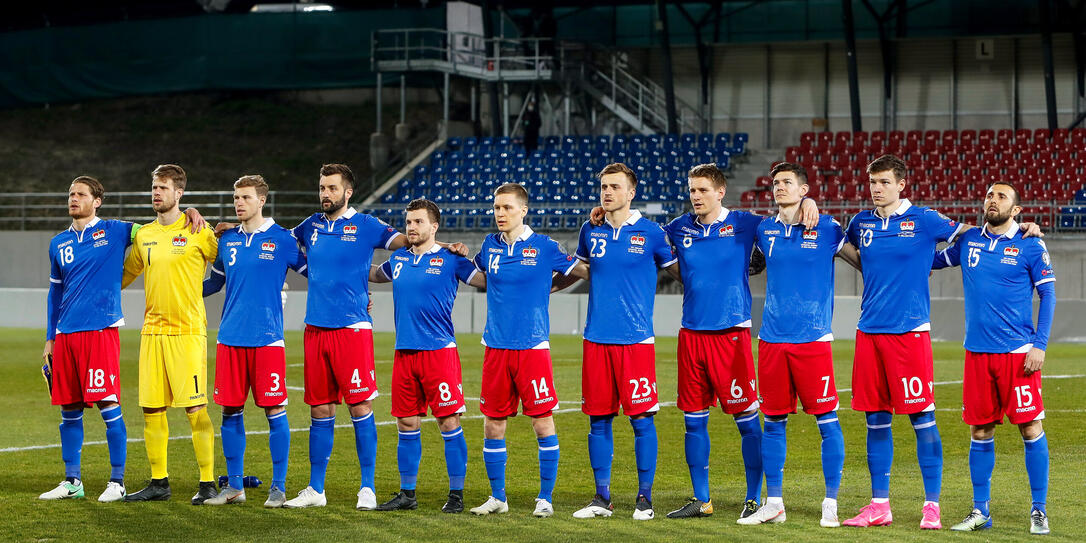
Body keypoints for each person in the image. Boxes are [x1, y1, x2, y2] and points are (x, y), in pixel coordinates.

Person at [840, 154, 1040, 528]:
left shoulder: (926, 219)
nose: (876, 190)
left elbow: (973, 234)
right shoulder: (860, 222)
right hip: (869, 332)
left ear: (901, 184)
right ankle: (879, 505)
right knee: (876, 419)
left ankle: (931, 507)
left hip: (910, 333)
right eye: (872, 183)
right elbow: (849, 249)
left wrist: (1020, 226)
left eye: (883, 182)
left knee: (922, 418)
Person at [659, 163, 819, 522]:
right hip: (691, 336)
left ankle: (752, 498)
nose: (695, 197)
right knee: (693, 422)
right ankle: (702, 500)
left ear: (720, 192)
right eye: (692, 190)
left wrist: (810, 206)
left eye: (702, 190)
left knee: (747, 421)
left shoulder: (747, 223)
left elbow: (785, 220)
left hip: (731, 336)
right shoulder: (679, 227)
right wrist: (602, 212)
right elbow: (649, 237)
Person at [738, 162, 860, 527]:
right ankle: (774, 502)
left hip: (813, 339)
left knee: (827, 422)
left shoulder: (827, 228)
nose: (779, 187)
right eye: (775, 183)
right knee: (772, 421)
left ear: (804, 190)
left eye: (787, 183)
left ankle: (831, 502)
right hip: (772, 339)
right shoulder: (763, 229)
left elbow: (864, 262)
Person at [931, 182, 1054, 535]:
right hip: (978, 354)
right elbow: (933, 260)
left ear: (1016, 210)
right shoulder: (969, 241)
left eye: (1001, 197)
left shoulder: (1031, 244)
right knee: (980, 429)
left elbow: (1049, 296)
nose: (992, 200)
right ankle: (980, 511)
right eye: (989, 195)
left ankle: (1039, 510)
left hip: (1019, 355)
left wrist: (1039, 344)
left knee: (1030, 428)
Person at [282, 164, 403, 510]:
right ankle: (316, 489)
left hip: (351, 328)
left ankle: (367, 487)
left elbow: (409, 242)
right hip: (315, 328)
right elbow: (275, 241)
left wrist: (444, 245)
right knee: (320, 409)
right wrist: (234, 226)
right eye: (322, 187)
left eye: (332, 188)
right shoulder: (310, 226)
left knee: (360, 405)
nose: (325, 194)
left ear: (347, 192)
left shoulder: (367, 225)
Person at [563, 163, 678, 521]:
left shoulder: (652, 233)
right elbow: (581, 268)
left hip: (636, 341)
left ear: (632, 192)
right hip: (595, 339)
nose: (607, 192)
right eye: (603, 187)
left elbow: (677, 270)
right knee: (598, 420)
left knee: (642, 420)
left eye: (614, 186)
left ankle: (645, 499)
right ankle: (602, 498)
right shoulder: (590, 229)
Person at [468, 182, 582, 518]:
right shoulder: (490, 246)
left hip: (532, 347)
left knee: (542, 422)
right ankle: (497, 497)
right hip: (496, 347)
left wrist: (549, 287)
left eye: (506, 208)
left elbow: (576, 270)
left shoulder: (545, 246)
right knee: (493, 424)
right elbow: (475, 273)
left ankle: (545, 497)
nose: (500, 214)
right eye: (496, 208)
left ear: (523, 210)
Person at [369, 198, 486, 514]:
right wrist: (342, 260)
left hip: (439, 352)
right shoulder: (399, 259)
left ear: (434, 226)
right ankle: (407, 494)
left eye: (418, 222)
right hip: (404, 353)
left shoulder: (452, 259)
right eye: (408, 222)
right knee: (406, 423)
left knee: (448, 421)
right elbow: (374, 275)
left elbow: (487, 281)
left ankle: (457, 495)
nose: (411, 227)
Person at [200, 175, 307, 508]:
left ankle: (278, 487)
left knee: (275, 410)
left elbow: (318, 275)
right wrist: (173, 290)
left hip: (267, 340)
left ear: (262, 200)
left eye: (245, 197)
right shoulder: (227, 240)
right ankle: (234, 487)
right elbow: (212, 285)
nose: (238, 202)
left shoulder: (284, 240)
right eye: (235, 197)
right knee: (230, 412)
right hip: (230, 338)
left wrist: (358, 295)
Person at [122, 164, 220, 504]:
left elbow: (232, 255)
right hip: (152, 333)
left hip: (187, 333)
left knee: (195, 410)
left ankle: (208, 483)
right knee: (152, 410)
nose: (156, 192)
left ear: (179, 193)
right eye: (154, 187)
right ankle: (159, 482)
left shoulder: (198, 230)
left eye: (163, 187)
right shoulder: (144, 235)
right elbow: (123, 275)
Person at [39, 176, 133, 503]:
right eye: (70, 194)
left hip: (101, 331)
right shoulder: (58, 243)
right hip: (66, 336)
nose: (74, 198)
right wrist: (50, 339)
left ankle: (117, 481)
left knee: (108, 402)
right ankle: (72, 481)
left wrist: (189, 213)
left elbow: (158, 230)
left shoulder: (115, 230)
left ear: (97, 201)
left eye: (81, 194)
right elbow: (55, 293)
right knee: (69, 408)